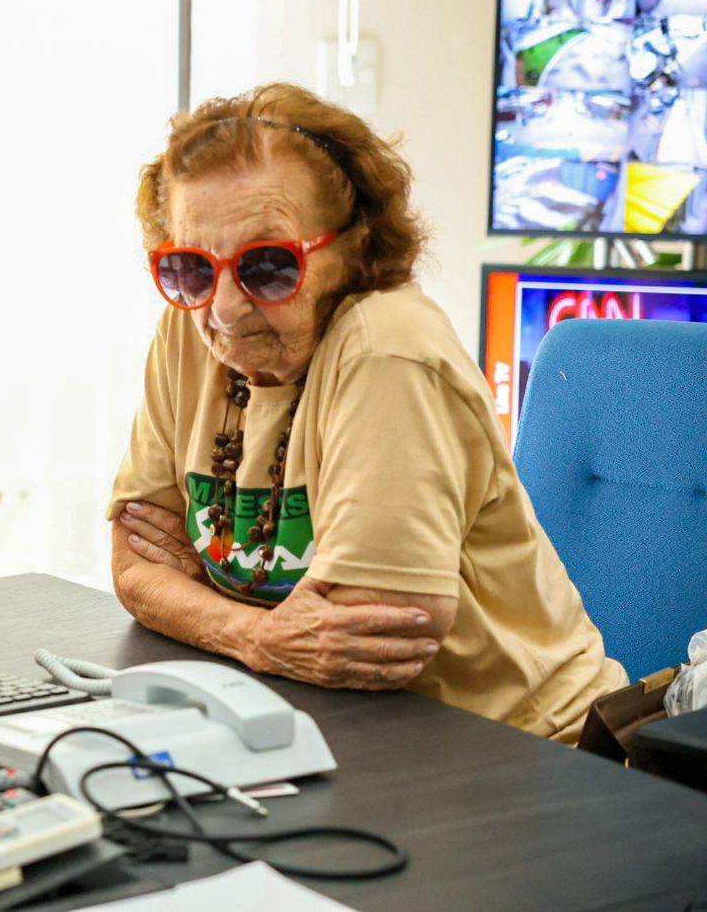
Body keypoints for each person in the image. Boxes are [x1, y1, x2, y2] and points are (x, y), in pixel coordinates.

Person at [106, 83, 627, 745]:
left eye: (268, 267)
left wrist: (203, 602)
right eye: (190, 268)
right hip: (331, 730)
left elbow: (367, 643)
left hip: (523, 748)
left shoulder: (387, 350)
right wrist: (258, 634)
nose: (224, 309)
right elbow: (136, 568)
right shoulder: (188, 330)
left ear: (353, 250)